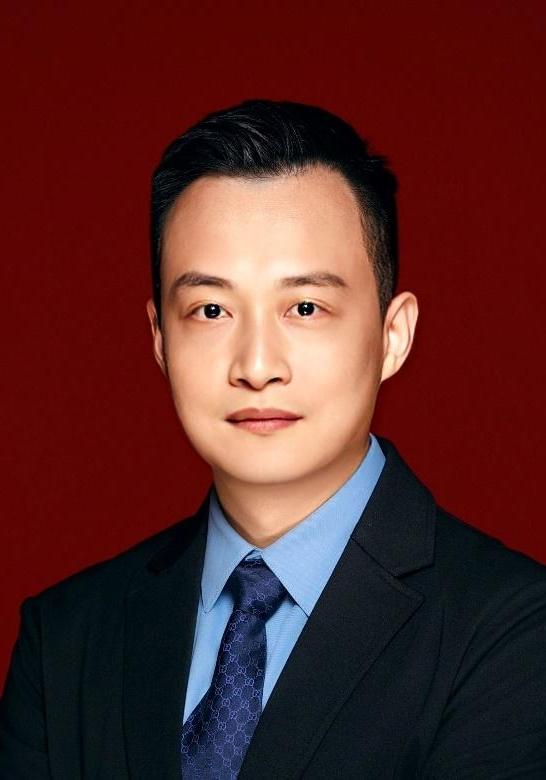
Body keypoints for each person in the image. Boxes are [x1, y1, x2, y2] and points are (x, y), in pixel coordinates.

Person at [1, 99, 545, 779]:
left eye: (305, 307)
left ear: (392, 335)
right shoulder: (66, 637)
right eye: (211, 310)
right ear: (160, 340)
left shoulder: (514, 630)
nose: (257, 366)